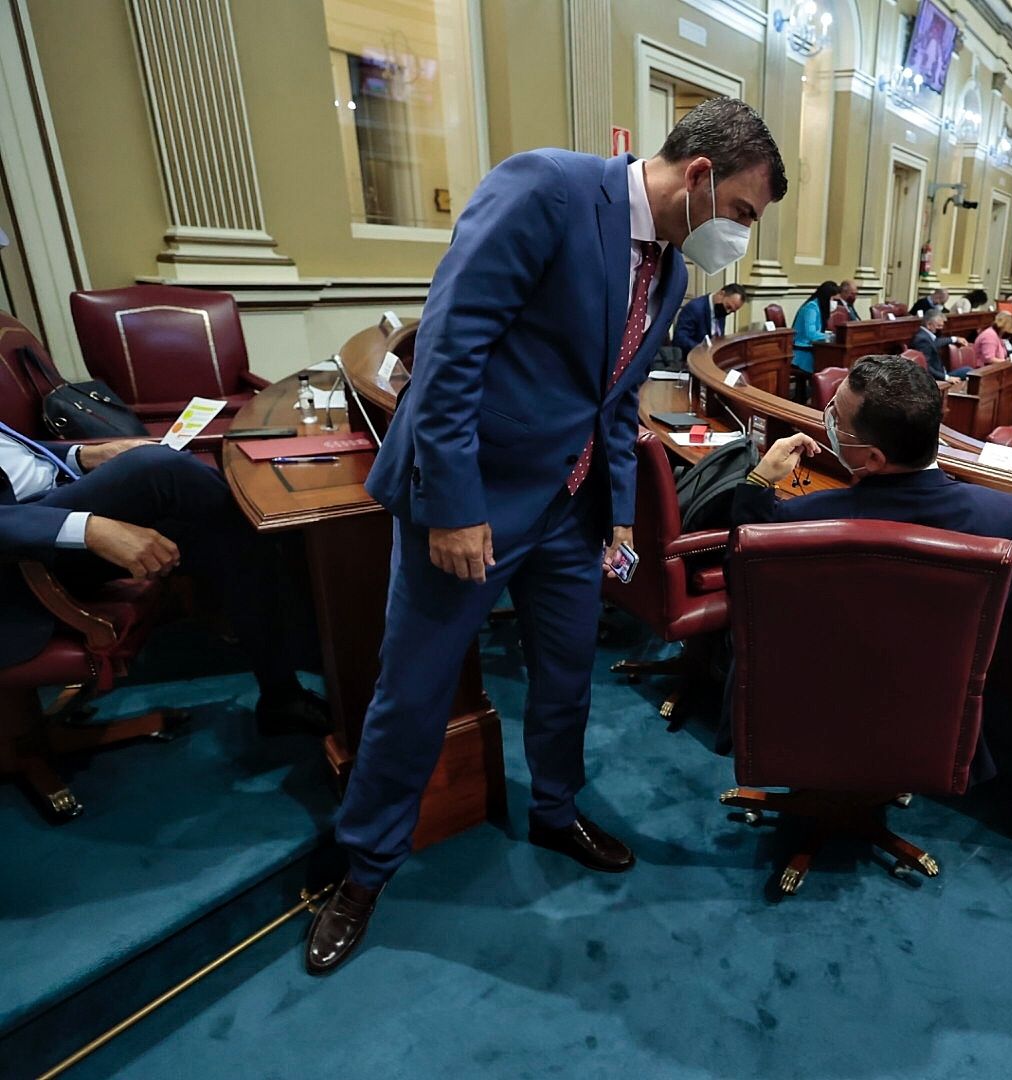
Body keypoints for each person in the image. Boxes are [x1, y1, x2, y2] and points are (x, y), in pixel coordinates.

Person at [304, 96, 787, 976]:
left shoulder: (673, 274)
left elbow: (611, 403)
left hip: (568, 515)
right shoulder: (547, 189)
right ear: (703, 175)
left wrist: (617, 517)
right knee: (413, 693)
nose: (742, 238)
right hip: (475, 505)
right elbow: (451, 350)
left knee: (566, 680)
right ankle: (364, 867)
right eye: (746, 215)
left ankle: (556, 812)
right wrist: (452, 504)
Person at [0, 432, 325, 731]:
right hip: (17, 561)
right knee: (158, 469)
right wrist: (88, 528)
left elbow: (13, 456)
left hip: (44, 509)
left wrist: (83, 455)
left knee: (220, 535)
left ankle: (285, 691)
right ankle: (322, 648)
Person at [733, 355, 1012, 623]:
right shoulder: (1003, 517)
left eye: (836, 417)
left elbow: (741, 577)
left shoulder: (805, 519)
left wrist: (759, 482)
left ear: (873, 458)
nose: (829, 422)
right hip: (937, 703)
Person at [670, 283, 747, 358]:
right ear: (721, 294)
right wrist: (702, 349)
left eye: (732, 311)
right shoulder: (695, 308)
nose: (728, 312)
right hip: (691, 359)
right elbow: (680, 338)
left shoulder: (721, 310)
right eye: (728, 307)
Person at [791, 280, 840, 383]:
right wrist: (830, 337)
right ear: (826, 296)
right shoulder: (811, 307)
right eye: (832, 299)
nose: (834, 303)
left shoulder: (819, 306)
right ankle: (818, 394)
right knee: (826, 365)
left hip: (811, 348)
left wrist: (828, 335)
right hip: (802, 351)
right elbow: (811, 334)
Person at [909, 309, 969, 382]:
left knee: (969, 371)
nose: (941, 328)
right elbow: (925, 366)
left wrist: (955, 339)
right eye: (938, 326)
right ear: (929, 325)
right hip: (936, 379)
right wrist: (946, 378)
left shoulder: (925, 335)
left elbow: (936, 342)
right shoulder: (922, 340)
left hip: (942, 375)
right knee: (969, 371)